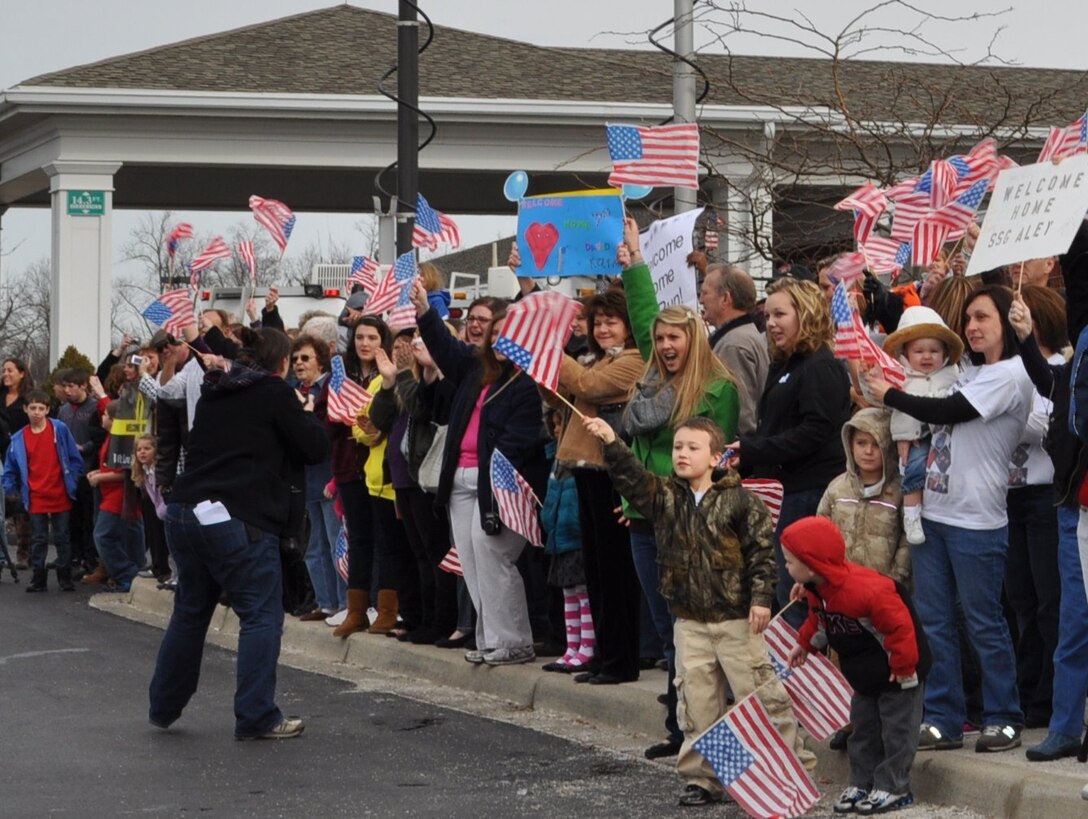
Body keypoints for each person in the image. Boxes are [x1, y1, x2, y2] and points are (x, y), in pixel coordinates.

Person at [584, 413, 813, 806]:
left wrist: (760, 600)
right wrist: (610, 441)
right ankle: (706, 778)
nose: (682, 454)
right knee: (698, 704)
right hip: (690, 621)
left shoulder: (741, 501)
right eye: (677, 447)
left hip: (737, 620)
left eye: (693, 448)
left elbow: (761, 555)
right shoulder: (667, 497)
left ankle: (791, 770)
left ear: (716, 457)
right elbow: (634, 482)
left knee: (761, 696)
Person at [864, 284, 1033, 753]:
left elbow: (950, 412)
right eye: (970, 320)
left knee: (983, 622)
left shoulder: (1010, 374)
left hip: (977, 519)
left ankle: (1003, 715)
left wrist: (893, 395)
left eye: (984, 318)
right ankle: (945, 717)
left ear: (1006, 321)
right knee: (934, 621)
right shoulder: (963, 371)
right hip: (931, 513)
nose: (974, 327)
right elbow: (926, 401)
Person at [148, 327, 329, 740]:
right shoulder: (275, 393)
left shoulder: (217, 391)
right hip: (237, 520)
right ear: (282, 364)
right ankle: (257, 715)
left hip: (184, 513)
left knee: (190, 613)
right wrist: (302, 409)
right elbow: (315, 447)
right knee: (261, 617)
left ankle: (163, 706)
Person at [618, 216, 741, 759]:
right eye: (660, 339)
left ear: (693, 340)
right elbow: (646, 314)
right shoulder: (651, 383)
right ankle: (681, 727)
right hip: (646, 524)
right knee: (670, 631)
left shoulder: (716, 388)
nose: (666, 345)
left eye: (676, 338)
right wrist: (636, 264)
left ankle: (717, 728)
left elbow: (709, 461)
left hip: (692, 525)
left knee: (699, 635)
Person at [410, 278, 546, 666]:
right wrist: (424, 310)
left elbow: (519, 442)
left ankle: (515, 641)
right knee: (472, 563)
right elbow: (445, 347)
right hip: (461, 482)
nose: (502, 340)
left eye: (511, 333)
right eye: (497, 333)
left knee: (493, 556)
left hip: (501, 487)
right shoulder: (475, 370)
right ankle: (491, 640)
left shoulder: (529, 383)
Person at [783, 516, 930, 816]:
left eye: (789, 561)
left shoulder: (867, 590)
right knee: (862, 730)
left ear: (811, 566)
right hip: (864, 675)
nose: (785, 567)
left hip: (898, 671)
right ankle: (863, 782)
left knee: (896, 731)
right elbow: (821, 620)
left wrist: (903, 667)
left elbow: (900, 628)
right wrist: (805, 644)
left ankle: (894, 787)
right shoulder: (817, 590)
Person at [727, 275, 851, 628]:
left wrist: (753, 449)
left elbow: (813, 433)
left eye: (780, 314)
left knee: (794, 594)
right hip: (784, 491)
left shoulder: (820, 366)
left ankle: (803, 677)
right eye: (768, 316)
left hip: (807, 493)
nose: (770, 323)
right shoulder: (788, 364)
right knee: (783, 592)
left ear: (806, 314)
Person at [549, 287, 644, 683]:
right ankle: (603, 654)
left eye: (611, 321)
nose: (603, 329)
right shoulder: (595, 359)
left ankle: (622, 660)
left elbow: (589, 387)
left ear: (628, 325)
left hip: (612, 473)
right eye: (598, 322)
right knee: (596, 571)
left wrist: (553, 355)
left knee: (615, 570)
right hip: (584, 470)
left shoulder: (634, 361)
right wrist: (546, 374)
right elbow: (563, 395)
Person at [881, 306, 964, 544]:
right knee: (914, 469)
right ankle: (911, 515)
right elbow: (877, 393)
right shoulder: (899, 374)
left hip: (942, 435)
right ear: (905, 352)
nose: (927, 357)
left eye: (934, 351)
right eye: (919, 351)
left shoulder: (951, 373)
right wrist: (869, 376)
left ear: (945, 352)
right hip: (913, 435)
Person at [2, 389, 83, 592]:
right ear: (25, 409)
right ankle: (38, 577)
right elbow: (11, 468)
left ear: (48, 410)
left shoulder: (60, 430)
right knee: (38, 538)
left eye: (41, 408)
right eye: (33, 408)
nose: (37, 412)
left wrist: (71, 479)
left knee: (62, 536)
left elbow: (74, 458)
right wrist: (11, 489)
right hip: (35, 495)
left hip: (59, 492)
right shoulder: (19, 439)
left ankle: (64, 576)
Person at [289, 334, 343, 622]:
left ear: (320, 361)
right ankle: (325, 603)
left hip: (330, 474)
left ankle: (345, 604)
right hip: (306, 477)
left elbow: (332, 431)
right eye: (295, 358)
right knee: (314, 545)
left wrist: (307, 413)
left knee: (336, 542)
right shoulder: (293, 391)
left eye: (305, 358)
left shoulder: (331, 388)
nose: (299, 363)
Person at [699, 263, 769, 437]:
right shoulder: (738, 337)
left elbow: (740, 415)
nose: (700, 300)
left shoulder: (733, 345)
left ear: (725, 299)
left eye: (705, 293)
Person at [87, 400, 146, 592]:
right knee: (130, 532)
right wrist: (98, 472)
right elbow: (111, 466)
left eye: (105, 415)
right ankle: (135, 569)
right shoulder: (111, 437)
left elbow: (125, 472)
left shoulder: (121, 440)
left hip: (119, 495)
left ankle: (126, 573)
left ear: (113, 419)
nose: (102, 418)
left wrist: (100, 477)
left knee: (103, 535)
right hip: (112, 493)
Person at [56, 368, 107, 577]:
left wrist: (83, 447)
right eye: (65, 386)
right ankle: (73, 556)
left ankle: (90, 558)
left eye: (71, 386)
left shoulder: (94, 407)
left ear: (83, 386)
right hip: (68, 471)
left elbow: (100, 436)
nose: (67, 390)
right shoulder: (64, 410)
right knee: (72, 517)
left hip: (89, 468)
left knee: (89, 516)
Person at [1, 357, 35, 569]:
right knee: (4, 505)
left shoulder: (28, 398)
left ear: (22, 373)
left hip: (21, 453)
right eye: (4, 370)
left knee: (22, 504)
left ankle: (24, 553)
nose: (6, 374)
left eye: (10, 370)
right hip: (0, 453)